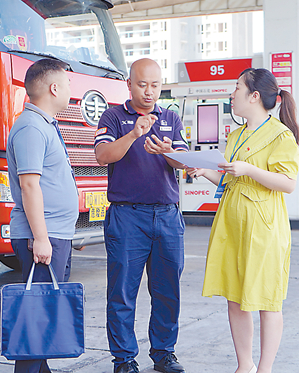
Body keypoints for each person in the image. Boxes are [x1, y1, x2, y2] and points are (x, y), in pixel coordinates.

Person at [187, 68, 299, 373]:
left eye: (237, 87)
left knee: (267, 299)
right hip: (232, 224)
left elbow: (288, 183)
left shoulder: (280, 135)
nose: (232, 93)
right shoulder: (235, 136)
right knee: (235, 298)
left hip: (263, 228)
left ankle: (264, 368)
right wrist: (205, 171)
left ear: (254, 96)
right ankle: (244, 365)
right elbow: (230, 181)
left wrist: (248, 169)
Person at [94, 58, 189, 373]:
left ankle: (164, 353)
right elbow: (102, 155)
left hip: (167, 216)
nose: (149, 92)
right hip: (127, 217)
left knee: (167, 291)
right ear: (129, 84)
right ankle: (123, 359)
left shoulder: (171, 117)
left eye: (155, 85)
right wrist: (134, 134)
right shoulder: (113, 116)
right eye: (142, 84)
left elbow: (185, 162)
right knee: (122, 292)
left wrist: (168, 151)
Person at [6, 58, 78, 373]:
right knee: (37, 317)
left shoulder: (43, 124)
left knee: (44, 313)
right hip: (42, 235)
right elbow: (29, 185)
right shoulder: (31, 128)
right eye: (68, 84)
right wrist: (41, 238)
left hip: (55, 232)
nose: (71, 89)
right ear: (54, 88)